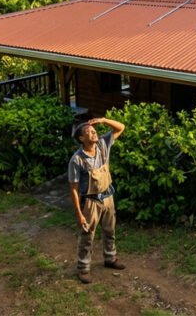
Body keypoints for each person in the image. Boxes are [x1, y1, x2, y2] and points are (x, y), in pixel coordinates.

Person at [68, 116, 126, 284]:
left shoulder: (102, 145)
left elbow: (120, 127)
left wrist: (103, 120)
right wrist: (79, 214)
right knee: (87, 235)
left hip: (108, 197)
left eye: (94, 130)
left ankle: (110, 258)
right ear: (81, 138)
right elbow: (73, 189)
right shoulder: (77, 160)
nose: (93, 132)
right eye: (88, 132)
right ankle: (83, 268)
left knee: (110, 230)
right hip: (91, 202)